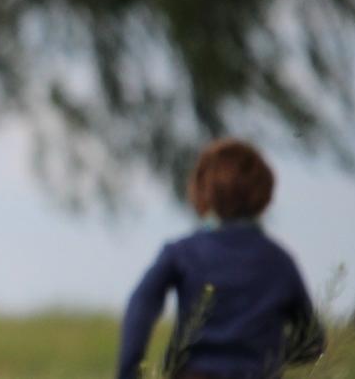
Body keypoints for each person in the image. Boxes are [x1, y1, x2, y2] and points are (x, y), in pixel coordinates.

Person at [116, 139, 326, 379]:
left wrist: (128, 372)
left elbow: (140, 307)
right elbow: (313, 342)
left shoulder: (182, 253)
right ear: (264, 194)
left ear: (202, 190)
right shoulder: (280, 262)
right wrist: (268, 356)